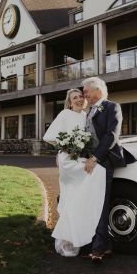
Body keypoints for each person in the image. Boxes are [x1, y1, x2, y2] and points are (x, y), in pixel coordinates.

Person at [43, 88, 105, 257]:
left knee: (76, 197)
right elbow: (48, 136)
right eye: (74, 98)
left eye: (80, 97)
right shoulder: (65, 114)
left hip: (80, 157)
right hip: (69, 160)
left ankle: (77, 236)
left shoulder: (87, 116)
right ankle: (70, 238)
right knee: (92, 178)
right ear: (70, 102)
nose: (78, 99)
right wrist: (66, 148)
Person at [82, 76, 122, 264]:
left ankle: (97, 248)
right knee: (94, 204)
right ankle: (106, 246)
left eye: (86, 91)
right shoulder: (88, 111)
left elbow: (111, 136)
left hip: (103, 162)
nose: (84, 95)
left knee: (101, 205)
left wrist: (95, 158)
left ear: (97, 90)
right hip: (89, 162)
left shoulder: (112, 107)